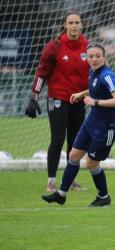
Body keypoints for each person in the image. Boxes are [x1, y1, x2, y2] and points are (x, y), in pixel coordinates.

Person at [41, 43, 115, 207]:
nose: (94, 59)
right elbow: (95, 88)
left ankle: (104, 197)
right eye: (90, 56)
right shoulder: (93, 72)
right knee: (73, 155)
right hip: (92, 121)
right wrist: (82, 93)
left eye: (97, 56)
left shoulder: (107, 75)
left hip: (107, 126)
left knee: (91, 163)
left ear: (104, 57)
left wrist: (95, 101)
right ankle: (61, 195)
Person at [26, 12, 90, 192]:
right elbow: (41, 73)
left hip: (79, 100)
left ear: (81, 25)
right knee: (58, 139)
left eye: (77, 22)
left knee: (75, 141)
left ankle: (71, 180)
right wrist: (34, 96)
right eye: (71, 22)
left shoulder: (88, 47)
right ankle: (51, 181)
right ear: (65, 25)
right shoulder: (53, 47)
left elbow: (95, 73)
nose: (74, 26)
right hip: (58, 99)